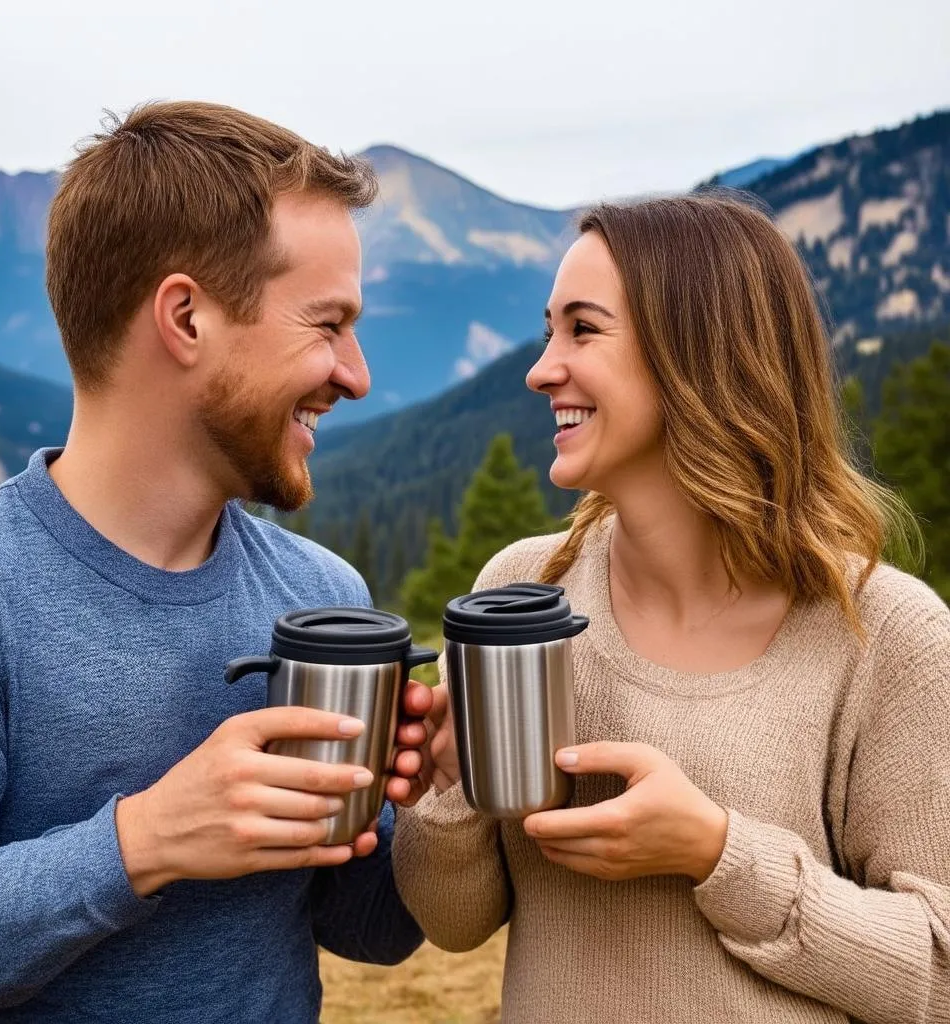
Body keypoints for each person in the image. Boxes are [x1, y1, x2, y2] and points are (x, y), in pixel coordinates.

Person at [0, 101, 443, 1022]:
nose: (357, 375)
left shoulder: (322, 598)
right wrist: (145, 841)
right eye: (327, 324)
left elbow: (370, 931)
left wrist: (438, 802)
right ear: (187, 317)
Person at [393, 194, 950, 1023]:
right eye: (549, 330)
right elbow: (453, 923)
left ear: (699, 356)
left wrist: (716, 853)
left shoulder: (890, 635)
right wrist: (451, 789)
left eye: (582, 330)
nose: (542, 368)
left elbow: (938, 972)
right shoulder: (520, 593)